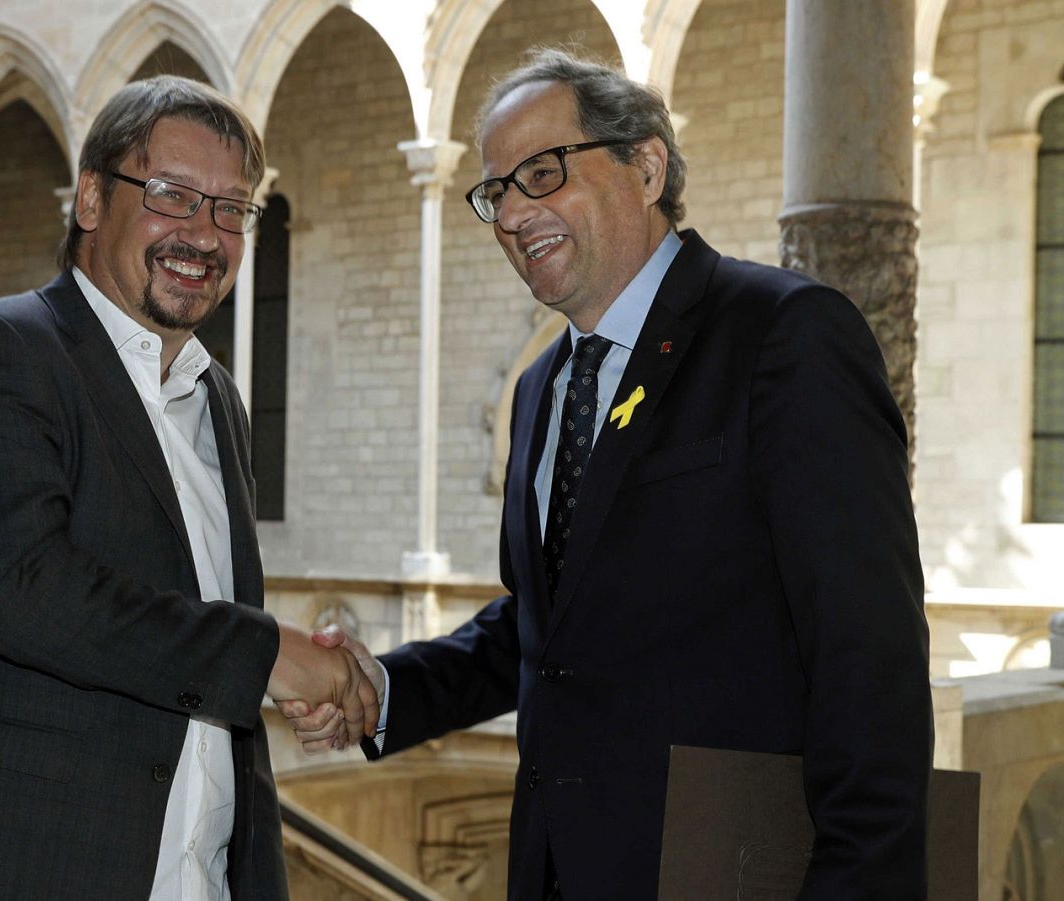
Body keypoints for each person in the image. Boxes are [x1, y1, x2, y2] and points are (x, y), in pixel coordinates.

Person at [282, 49, 932, 899]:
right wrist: (385, 686)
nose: (514, 213)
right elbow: (546, 630)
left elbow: (870, 663)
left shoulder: (782, 336)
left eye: (543, 175)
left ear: (647, 165)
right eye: (497, 193)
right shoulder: (542, 387)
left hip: (733, 870)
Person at [0, 76, 377, 901]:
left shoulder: (220, 402)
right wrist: (264, 656)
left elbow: (203, 677)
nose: (204, 234)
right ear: (93, 200)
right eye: (173, 195)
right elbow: (23, 590)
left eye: (231, 210)